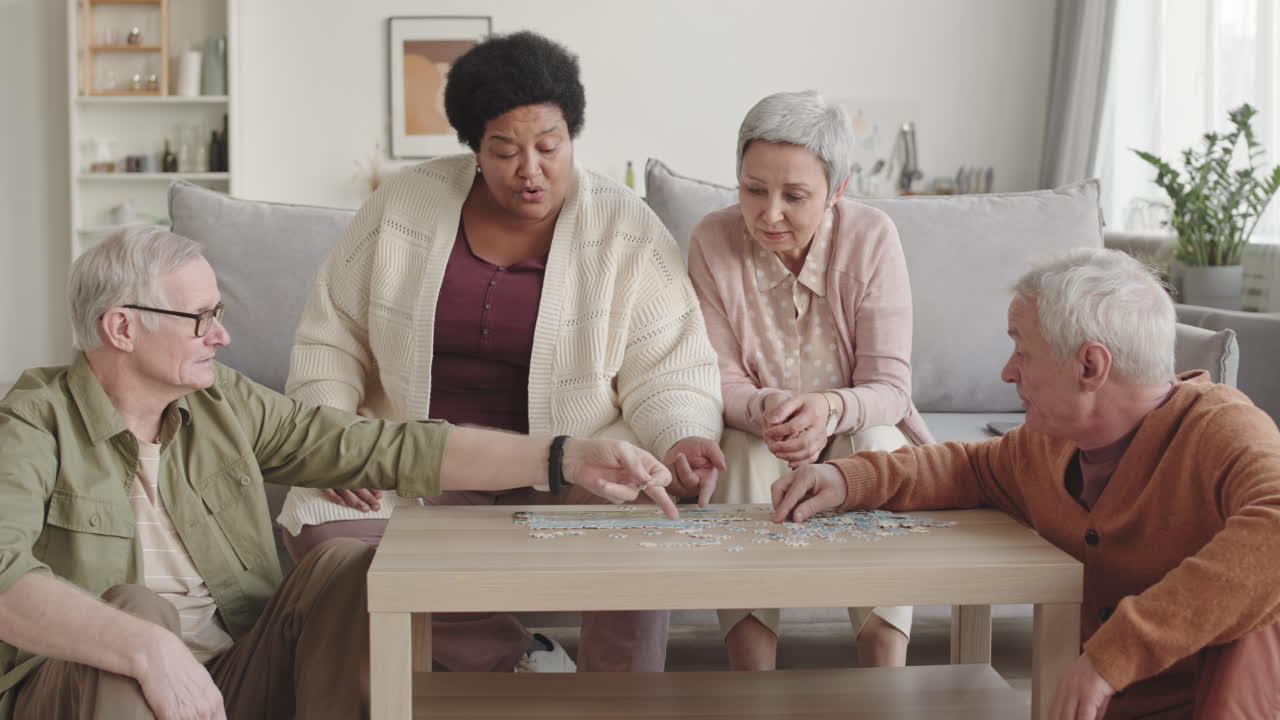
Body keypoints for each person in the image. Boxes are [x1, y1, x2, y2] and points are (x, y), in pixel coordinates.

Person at [0, 228, 679, 720]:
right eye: (201, 318)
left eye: (219, 314)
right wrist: (147, 646)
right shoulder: (32, 421)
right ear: (122, 328)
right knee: (132, 608)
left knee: (348, 564)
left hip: (230, 675)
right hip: (90, 691)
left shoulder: (219, 402)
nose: (221, 336)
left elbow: (382, 447)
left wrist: (564, 456)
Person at [277, 30, 724, 674]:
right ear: (474, 148)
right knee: (321, 530)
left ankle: (621, 702)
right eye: (505, 151)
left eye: (549, 146)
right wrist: (336, 440)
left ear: (573, 135)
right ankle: (516, 658)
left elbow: (669, 366)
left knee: (645, 517)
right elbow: (331, 336)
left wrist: (682, 436)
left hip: (578, 467)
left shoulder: (626, 227)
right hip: (429, 465)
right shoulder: (403, 205)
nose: (530, 170)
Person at [772, 248, 1280, 719]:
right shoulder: (1049, 445)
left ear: (1090, 365)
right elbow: (967, 468)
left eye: (1022, 352)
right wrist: (846, 478)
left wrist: (1113, 656)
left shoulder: (1221, 429)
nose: (1006, 372)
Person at [686, 90, 934, 671]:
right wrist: (770, 408)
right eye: (753, 190)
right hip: (761, 433)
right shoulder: (711, 240)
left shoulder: (871, 237)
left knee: (879, 445)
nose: (769, 214)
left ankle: (883, 673)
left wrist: (825, 409)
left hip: (854, 427)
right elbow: (720, 379)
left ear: (838, 189)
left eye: (795, 196)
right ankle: (752, 680)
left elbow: (890, 388)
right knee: (737, 453)